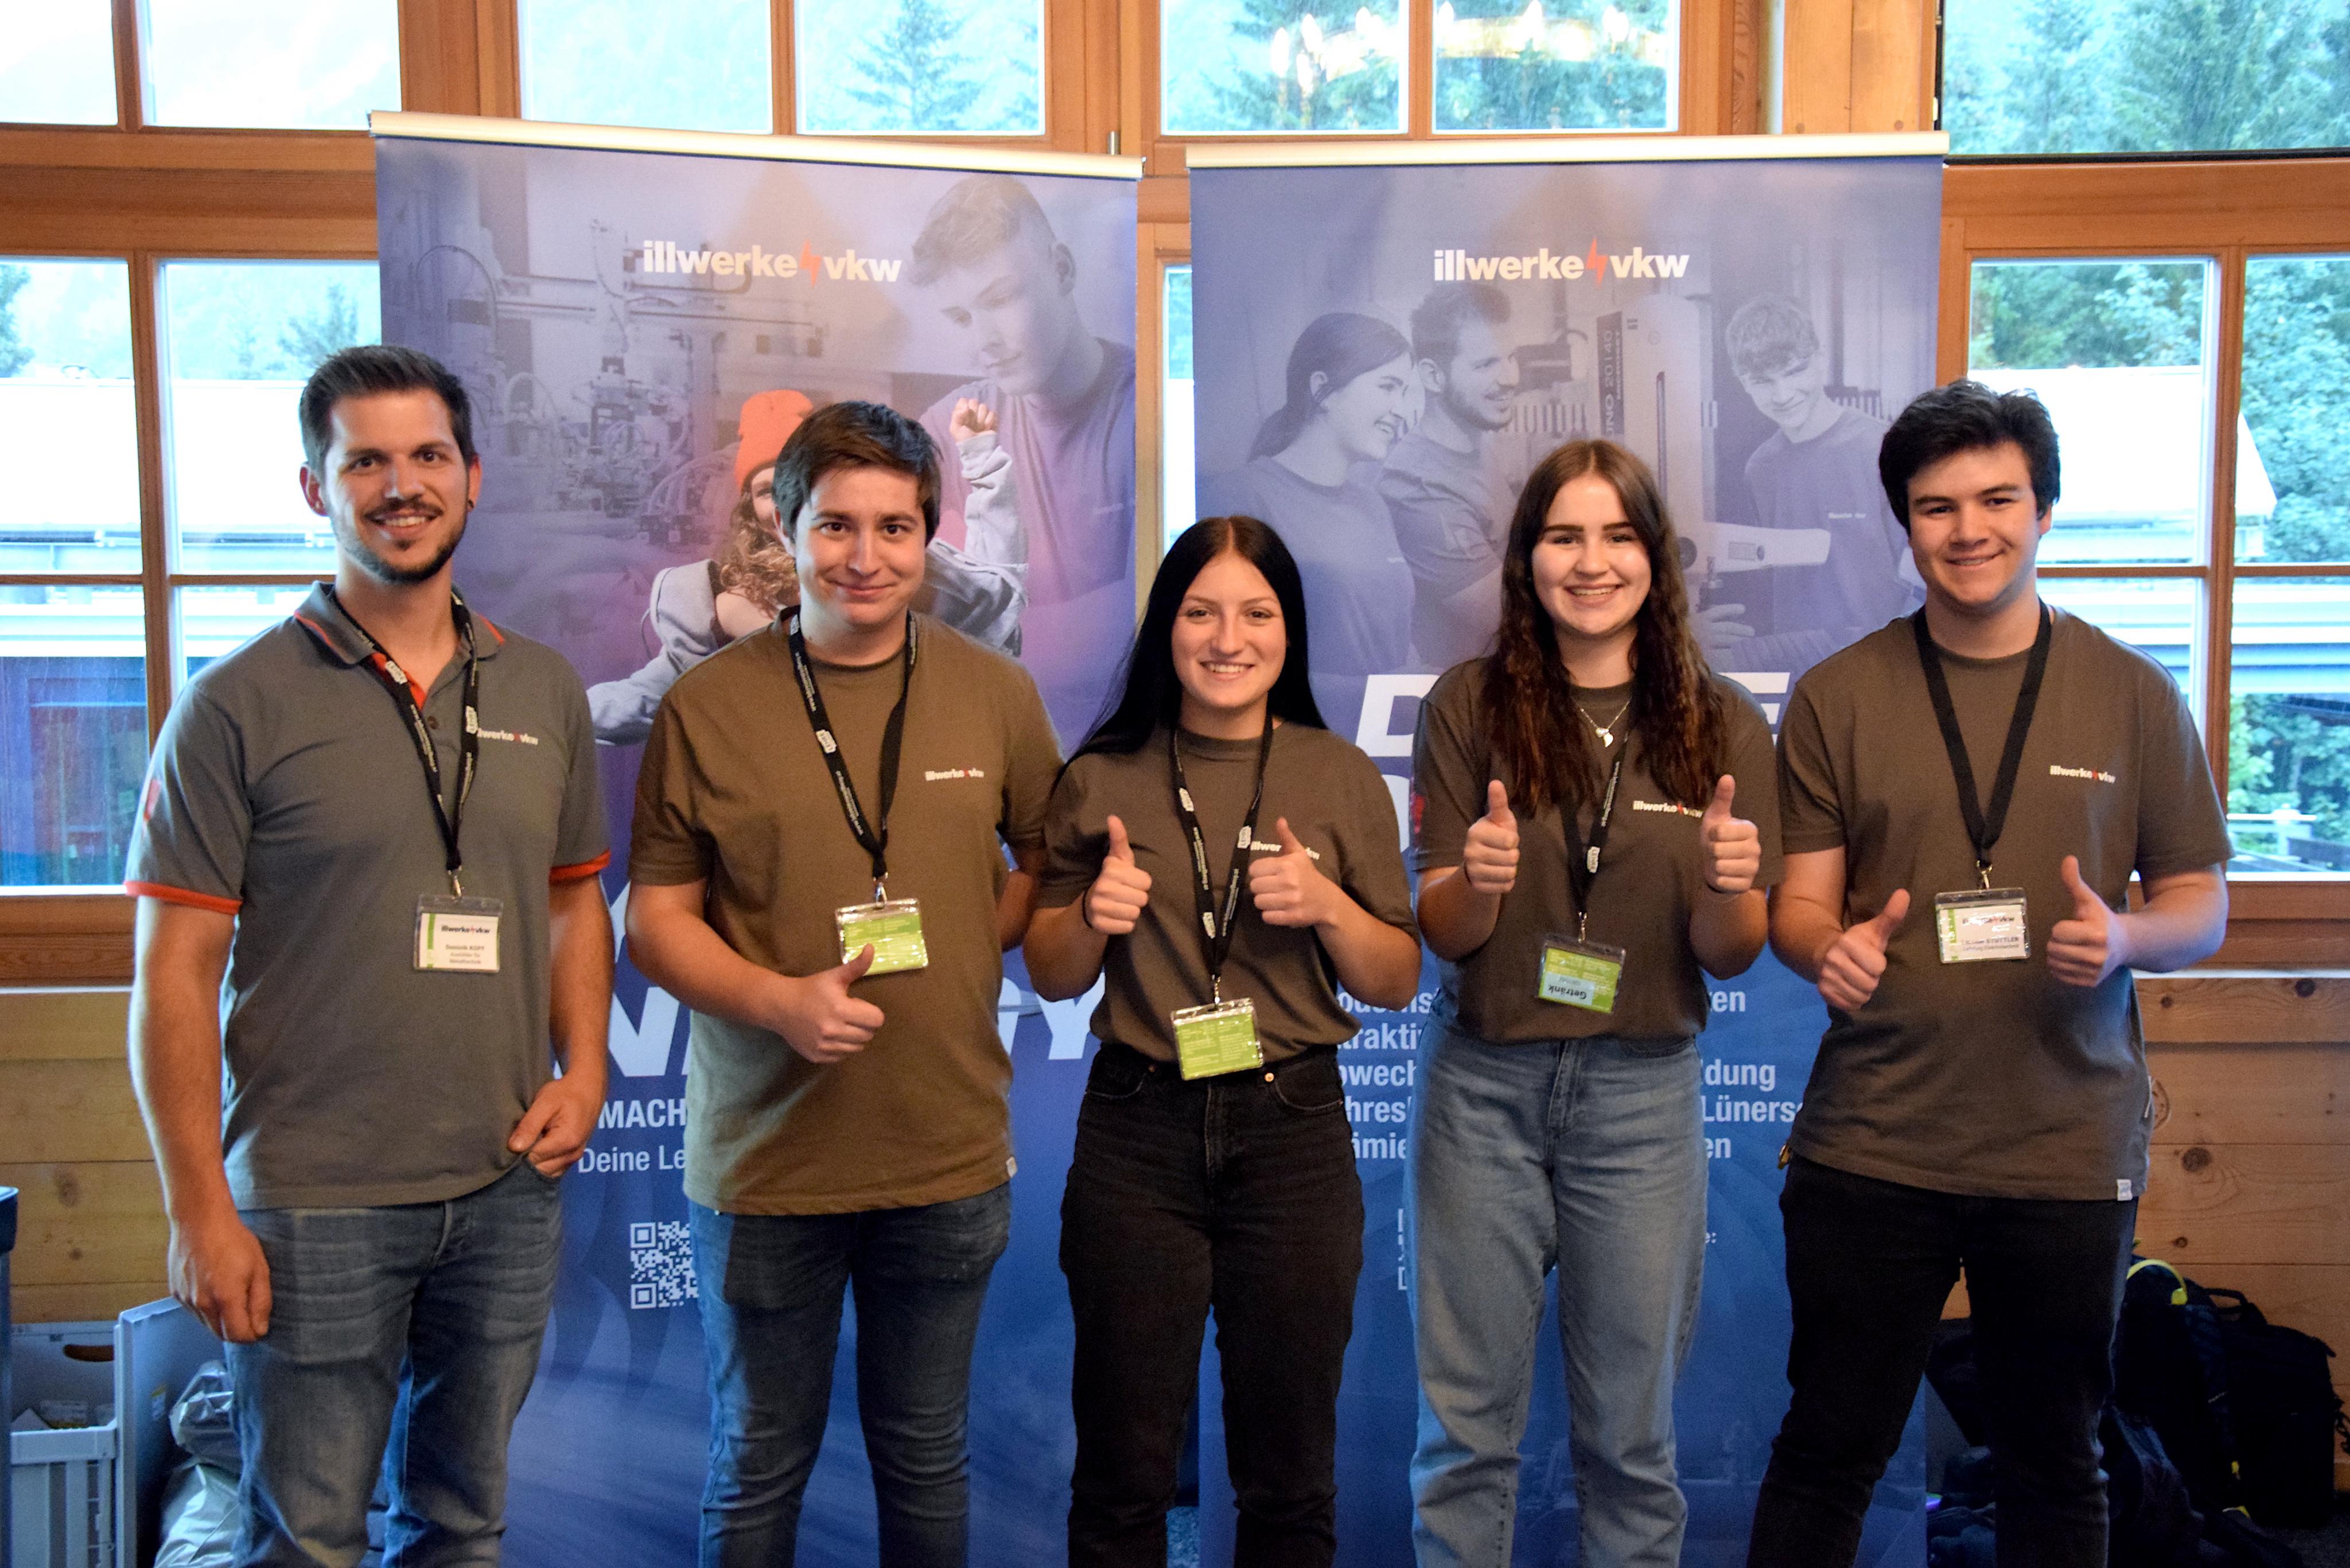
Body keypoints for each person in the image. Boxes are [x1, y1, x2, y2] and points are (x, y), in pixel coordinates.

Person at [124, 343, 615, 1566]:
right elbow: (173, 973)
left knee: (463, 1527)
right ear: (316, 488)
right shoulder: (234, 705)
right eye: (366, 462)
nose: (403, 485)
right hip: (311, 1201)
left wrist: (588, 1069)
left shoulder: (542, 688)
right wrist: (199, 1209)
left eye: (428, 455)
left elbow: (572, 902)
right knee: (307, 1540)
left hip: (503, 1182)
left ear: (472, 475)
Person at [1746, 381, 2231, 1567]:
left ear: (2044, 508)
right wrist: (1822, 947)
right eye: (1936, 507)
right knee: (1827, 1449)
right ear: (1904, 524)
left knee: (2053, 1460)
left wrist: (2123, 940)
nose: (1968, 530)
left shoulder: (2131, 691)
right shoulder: (1838, 693)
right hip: (1872, 1141)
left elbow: (2199, 903)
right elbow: (1798, 904)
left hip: (2061, 1146)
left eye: (1997, 499)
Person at [625, 399, 1063, 1567]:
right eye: (835, 526)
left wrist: (965, 937)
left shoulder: (996, 692)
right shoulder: (707, 704)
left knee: (925, 1455)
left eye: (895, 527)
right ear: (786, 526)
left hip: (944, 1153)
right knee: (757, 1460)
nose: (864, 557)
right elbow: (657, 922)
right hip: (765, 1163)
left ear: (928, 536)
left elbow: (1047, 867)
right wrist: (779, 1001)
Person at [1407, 438, 1780, 1567]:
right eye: (1563, 535)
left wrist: (1727, 887)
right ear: (1526, 558)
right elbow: (1444, 932)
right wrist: (1476, 880)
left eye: (1617, 535)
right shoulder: (1467, 703)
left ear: (1654, 558)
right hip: (1484, 1088)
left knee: (1630, 1442)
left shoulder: (1719, 722)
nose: (1590, 561)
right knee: (1464, 1439)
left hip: (1641, 1097)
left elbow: (1730, 954)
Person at [1026, 515, 1422, 1567]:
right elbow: (1051, 972)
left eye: (1257, 613)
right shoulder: (1102, 776)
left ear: (1290, 631)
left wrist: (1329, 906)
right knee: (1123, 1475)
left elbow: (1395, 979)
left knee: (1289, 1480)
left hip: (1292, 1133)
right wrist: (1093, 913)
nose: (1228, 638)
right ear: (1167, 626)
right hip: (1137, 1132)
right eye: (1201, 611)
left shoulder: (1338, 774)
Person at [590, 390, 1026, 744]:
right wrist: (559, 710)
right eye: (767, 491)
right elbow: (644, 700)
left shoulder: (889, 573)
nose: (784, 505)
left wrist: (984, 465)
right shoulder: (718, 608)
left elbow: (992, 595)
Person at [914, 173, 1135, 738]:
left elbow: (1141, 622)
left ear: (1061, 270)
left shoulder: (1147, 410)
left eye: (999, 299)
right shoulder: (944, 427)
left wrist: (987, 622)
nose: (982, 341)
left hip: (1120, 747)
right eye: (960, 317)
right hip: (987, 746)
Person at [1199, 312, 1418, 735]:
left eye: (1405, 391)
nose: (1400, 409)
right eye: (1387, 387)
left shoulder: (1372, 505)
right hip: (1299, 745)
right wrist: (1376, 694)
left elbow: (1393, 637)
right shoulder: (1241, 498)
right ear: (1323, 389)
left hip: (1385, 742)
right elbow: (1232, 655)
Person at [1719, 294, 1921, 667]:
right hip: (1797, 664)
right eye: (1762, 381)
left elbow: (1923, 573)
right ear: (1744, 384)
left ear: (1820, 359)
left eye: (1794, 372)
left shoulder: (1883, 449)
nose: (1782, 395)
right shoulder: (1760, 468)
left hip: (1882, 661)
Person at [1379, 282, 1522, 668]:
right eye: (1486, 365)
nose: (1510, 377)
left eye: (1511, 357)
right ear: (1433, 376)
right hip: (1469, 695)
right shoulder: (1416, 486)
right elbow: (1507, 616)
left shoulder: (1479, 440)